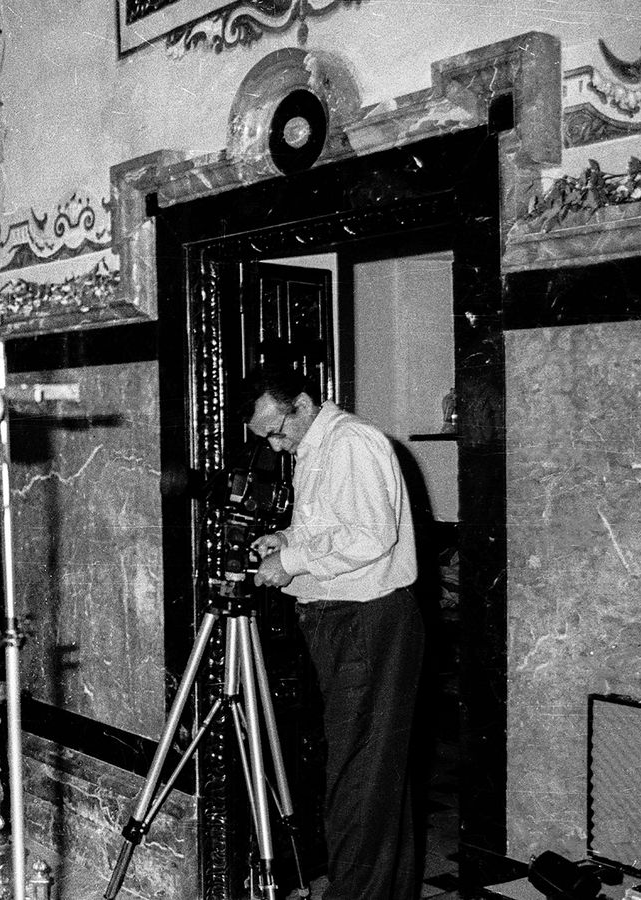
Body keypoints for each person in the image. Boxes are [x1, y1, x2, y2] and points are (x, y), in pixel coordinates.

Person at [244, 363, 423, 900]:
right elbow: (333, 526)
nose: (274, 447)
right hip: (344, 621)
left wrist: (294, 562)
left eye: (277, 431)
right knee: (376, 770)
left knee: (358, 775)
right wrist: (285, 538)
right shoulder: (315, 449)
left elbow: (372, 537)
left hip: (363, 622)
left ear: (302, 404)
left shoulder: (351, 443)